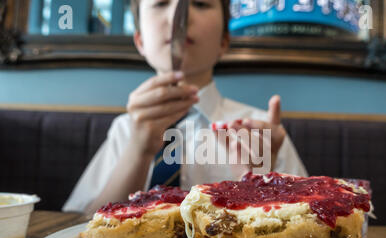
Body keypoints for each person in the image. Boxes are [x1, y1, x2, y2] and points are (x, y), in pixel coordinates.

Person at [63, 0, 308, 217]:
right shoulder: (124, 128)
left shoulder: (261, 129)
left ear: (224, 42)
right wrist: (138, 150)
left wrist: (261, 180)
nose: (180, 16)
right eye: (161, 3)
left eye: (200, 4)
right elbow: (82, 223)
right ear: (140, 41)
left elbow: (308, 218)